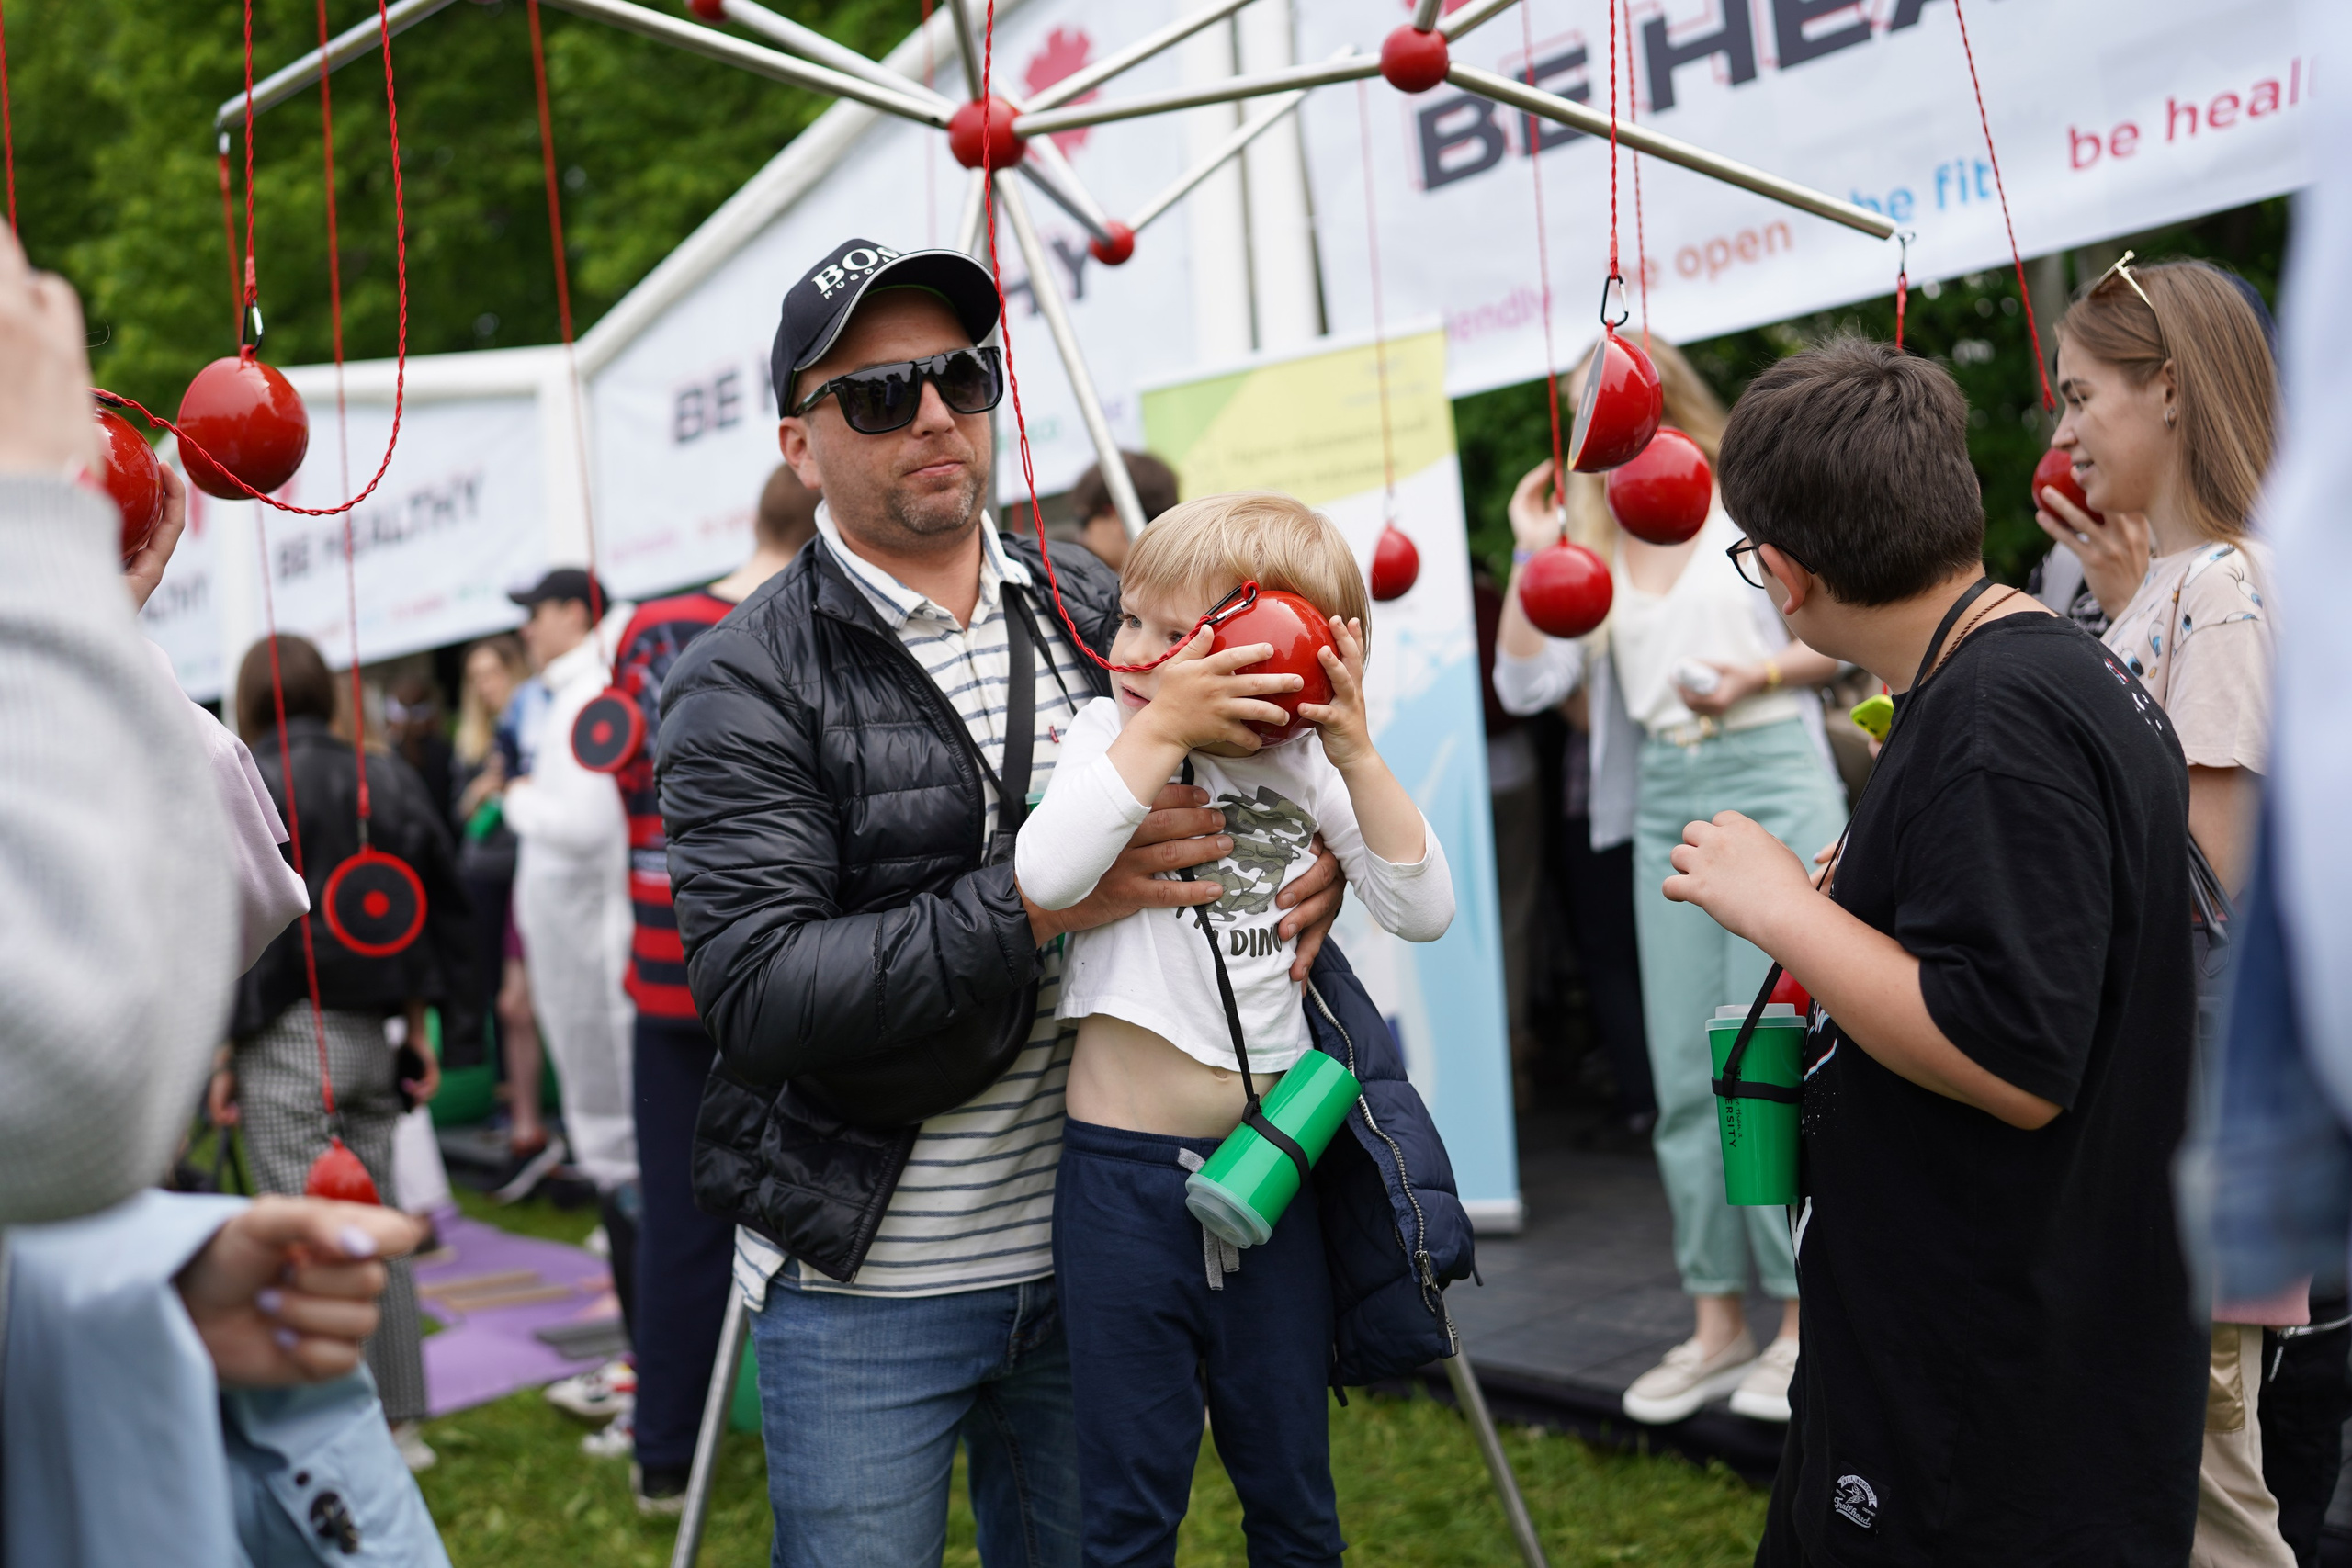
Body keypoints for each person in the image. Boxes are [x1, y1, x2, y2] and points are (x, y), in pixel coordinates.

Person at [655, 237, 1343, 1567]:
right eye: (878, 393)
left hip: (1105, 1246)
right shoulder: (736, 680)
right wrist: (1041, 905)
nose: (932, 414)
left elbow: (1261, 792)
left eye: (961, 377)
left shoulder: (1100, 602)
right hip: (870, 1275)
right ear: (802, 444)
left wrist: (1310, 881)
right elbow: (760, 990)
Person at [1668, 336, 2205, 1562]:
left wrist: (1782, 911)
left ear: (1787, 574)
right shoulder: (2040, 670)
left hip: (1989, 1393)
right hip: (2003, 1346)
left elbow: (2013, 1051)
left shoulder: (1992, 721)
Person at [1013, 491, 1455, 1564]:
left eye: (1176, 635)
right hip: (1121, 1183)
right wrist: (1159, 723)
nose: (1135, 652)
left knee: (1292, 1490)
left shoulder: (1308, 767)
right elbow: (1046, 871)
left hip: (1271, 1168)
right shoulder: (1104, 735)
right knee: (1127, 1503)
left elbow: (1422, 906)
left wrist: (1351, 749)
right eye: (1131, 622)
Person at [1494, 340, 1848, 1426]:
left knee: (1766, 1055)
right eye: (1580, 408)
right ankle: (1715, 1322)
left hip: (1772, 773)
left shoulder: (1737, 498)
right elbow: (1525, 678)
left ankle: (1799, 1323)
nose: (1593, 420)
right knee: (1681, 1076)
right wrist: (1531, 550)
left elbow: (1836, 631)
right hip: (1665, 802)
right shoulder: (1591, 532)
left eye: (1605, 400)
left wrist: (1758, 671)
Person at [2043, 254, 2297, 1568]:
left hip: (2183, 1129)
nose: (2064, 429)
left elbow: (2211, 875)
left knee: (2205, 1502)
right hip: (2154, 1119)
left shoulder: (2224, 591)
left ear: (2174, 393)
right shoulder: (2161, 587)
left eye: (2083, 394)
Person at [597, 461, 817, 1511]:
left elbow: (620, 779)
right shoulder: (819, 617)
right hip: (799, 972)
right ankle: (832, 1438)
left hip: (670, 965)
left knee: (682, 1229)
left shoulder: (652, 627)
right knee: (825, 1209)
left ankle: (665, 1454)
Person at [212, 632, 470, 1471]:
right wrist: (421, 1021)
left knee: (304, 1241)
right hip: (373, 1037)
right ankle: (397, 1420)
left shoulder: (244, 778)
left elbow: (221, 925)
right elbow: (433, 899)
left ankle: (337, 1431)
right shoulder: (385, 772)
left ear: (251, 699)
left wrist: (219, 1055)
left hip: (285, 1038)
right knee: (371, 1231)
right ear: (327, 692)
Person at [503, 568, 639, 1232]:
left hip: (593, 944)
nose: (527, 628)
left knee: (613, 1098)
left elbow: (587, 827)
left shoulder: (591, 692)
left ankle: (632, 1223)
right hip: (571, 941)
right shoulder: (571, 691)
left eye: (538, 612)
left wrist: (517, 799)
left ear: (576, 615)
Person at [452, 633, 560, 1195]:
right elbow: (464, 804)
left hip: (537, 872)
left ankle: (538, 1128)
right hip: (495, 876)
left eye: (492, 673)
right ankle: (526, 1127)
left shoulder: (538, 713)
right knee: (511, 1003)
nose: (485, 686)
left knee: (525, 1004)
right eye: (476, 677)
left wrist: (506, 788)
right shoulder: (487, 731)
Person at [1068, 447, 1179, 572]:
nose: (1080, 538)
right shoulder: (1194, 575)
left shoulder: (1102, 586)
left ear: (1117, 519)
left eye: (1083, 520)